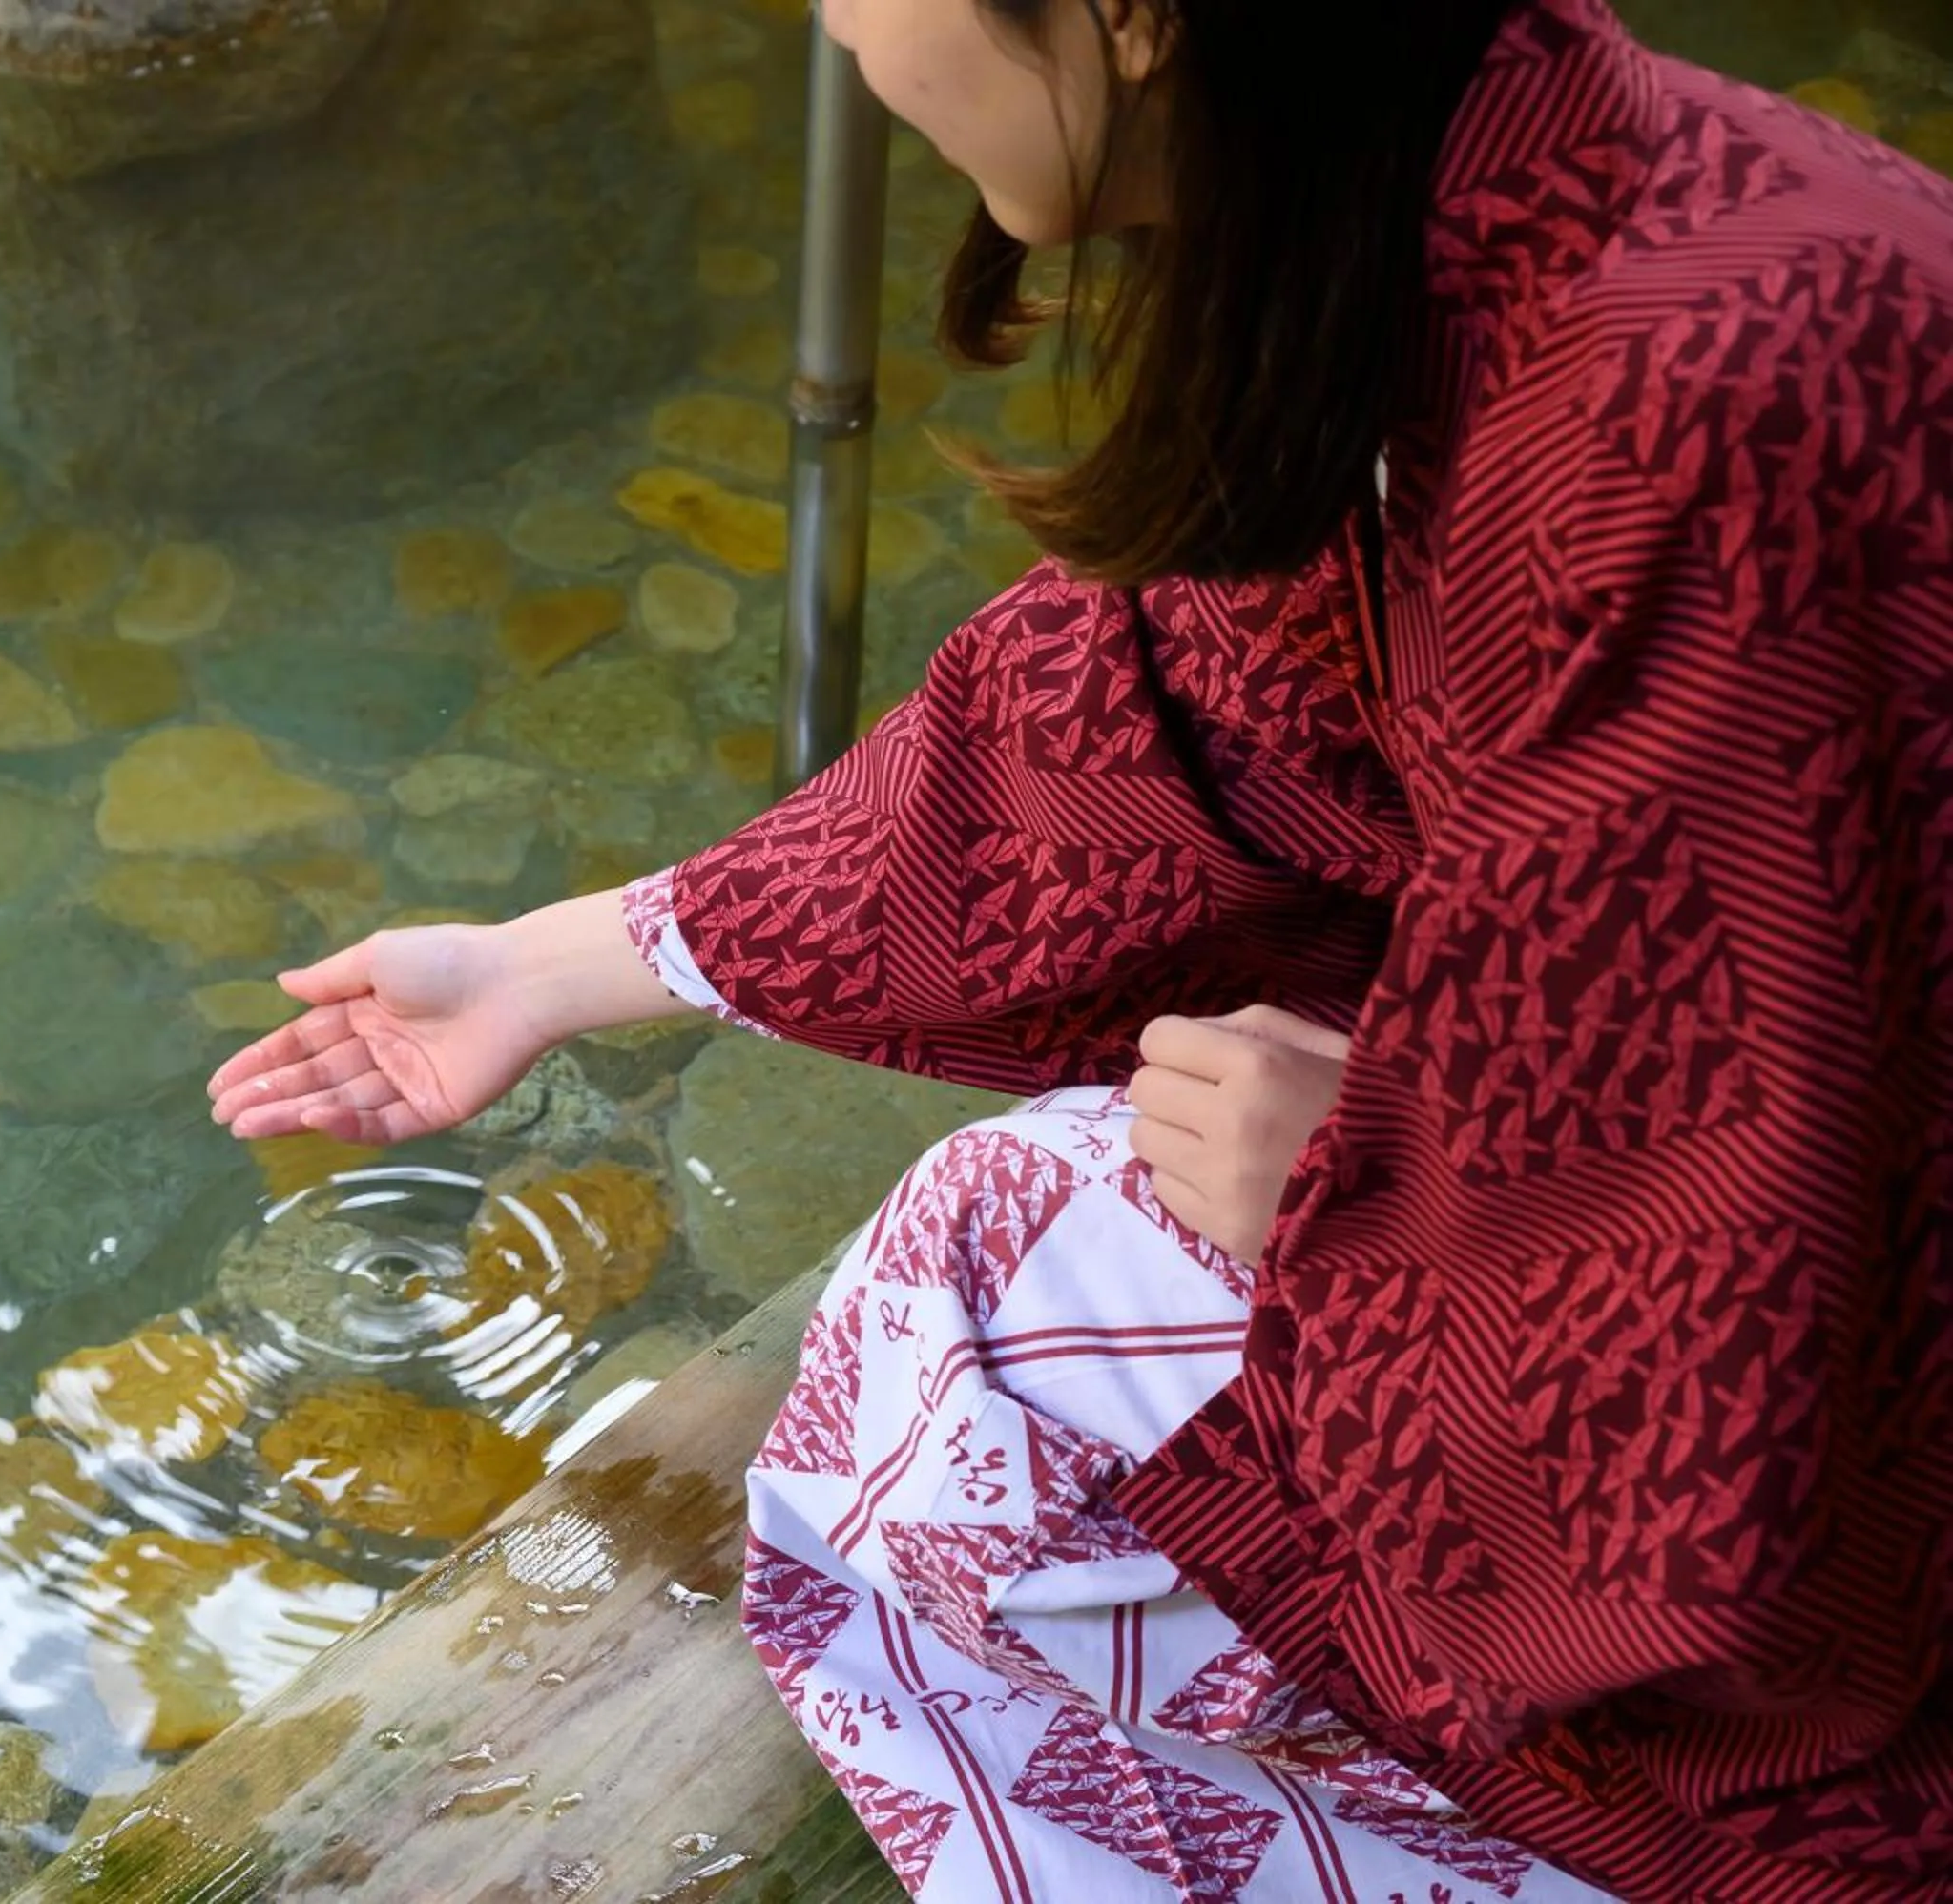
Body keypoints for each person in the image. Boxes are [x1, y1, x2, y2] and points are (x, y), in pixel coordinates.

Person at [209, 0, 1953, 1894]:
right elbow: (1149, 722)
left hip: (1861, 1562)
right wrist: (559, 961)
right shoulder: (1514, 195)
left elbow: (1767, 1274)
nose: (835, 30)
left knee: (951, 1392)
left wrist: (1377, 1191)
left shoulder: (1681, 435)